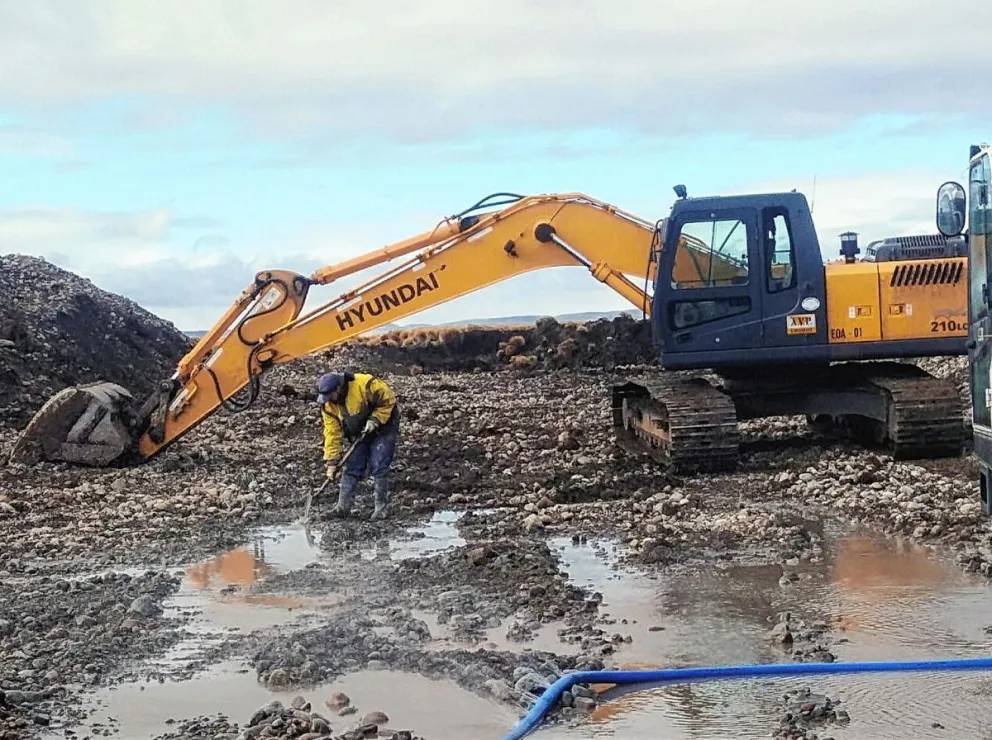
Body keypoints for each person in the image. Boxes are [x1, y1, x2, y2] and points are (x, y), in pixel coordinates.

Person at [316, 370, 400, 520]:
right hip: (359, 430)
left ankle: (381, 509)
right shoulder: (328, 406)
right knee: (353, 465)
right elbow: (332, 433)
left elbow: (388, 400)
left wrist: (375, 419)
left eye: (330, 396)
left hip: (384, 426)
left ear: (338, 388)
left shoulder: (365, 385)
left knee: (379, 463)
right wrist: (331, 463)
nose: (329, 400)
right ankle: (342, 508)